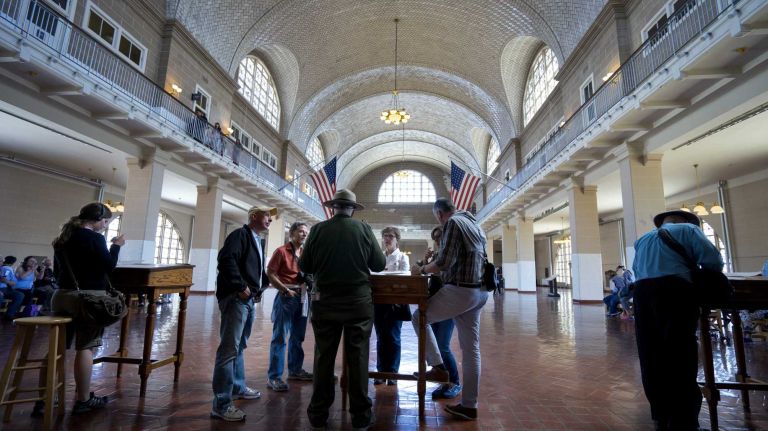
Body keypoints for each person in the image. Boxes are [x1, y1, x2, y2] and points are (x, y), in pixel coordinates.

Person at [299, 189, 385, 431]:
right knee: (357, 357)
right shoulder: (364, 229)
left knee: (323, 357)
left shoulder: (317, 229)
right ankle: (360, 416)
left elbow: (304, 265)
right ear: (353, 209)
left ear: (333, 207)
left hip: (325, 302)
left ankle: (318, 414)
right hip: (358, 303)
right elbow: (379, 264)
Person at [632, 210, 723, 431]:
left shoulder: (642, 239)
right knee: (680, 352)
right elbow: (713, 260)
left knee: (650, 353)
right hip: (674, 291)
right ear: (684, 221)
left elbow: (636, 270)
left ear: (662, 223)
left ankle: (660, 414)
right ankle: (684, 419)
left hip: (643, 294)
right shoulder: (688, 230)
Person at [410, 198, 489, 421]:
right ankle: (469, 405)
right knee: (471, 349)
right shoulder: (475, 224)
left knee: (418, 317)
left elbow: (444, 262)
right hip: (480, 291)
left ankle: (437, 366)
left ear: (439, 214)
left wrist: (422, 269)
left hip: (461, 291)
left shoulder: (453, 223)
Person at [50, 202, 125, 415]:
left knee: (57, 347)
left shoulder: (62, 239)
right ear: (98, 220)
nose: (105, 225)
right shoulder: (94, 238)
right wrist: (117, 246)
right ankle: (83, 400)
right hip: (87, 299)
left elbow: (57, 272)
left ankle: (45, 398)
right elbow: (108, 266)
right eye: (105, 221)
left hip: (62, 296)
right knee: (86, 347)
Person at [211, 206, 274, 421]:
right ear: (254, 216)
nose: (270, 220)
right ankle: (221, 403)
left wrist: (260, 287)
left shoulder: (256, 239)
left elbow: (253, 269)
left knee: (239, 346)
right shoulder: (240, 234)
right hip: (236, 299)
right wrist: (240, 286)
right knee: (229, 349)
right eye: (267, 216)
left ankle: (237, 387)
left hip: (247, 300)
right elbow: (226, 260)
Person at [266, 221, 313, 392]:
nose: (304, 234)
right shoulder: (281, 251)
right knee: (280, 337)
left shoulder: (306, 253)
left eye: (306, 232)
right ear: (292, 233)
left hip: (303, 297)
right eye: (301, 231)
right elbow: (270, 273)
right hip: (287, 296)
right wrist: (284, 289)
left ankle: (295, 370)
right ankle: (274, 377)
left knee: (297, 337)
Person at [422, 226, 461, 399]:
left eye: (440, 237)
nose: (438, 240)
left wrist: (429, 268)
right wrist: (425, 261)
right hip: (434, 304)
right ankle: (444, 383)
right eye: (435, 238)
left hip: (447, 305)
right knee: (436, 347)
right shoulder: (437, 257)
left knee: (443, 347)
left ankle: (455, 383)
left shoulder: (450, 256)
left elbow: (446, 276)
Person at [372, 226, 409, 386]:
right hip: (379, 302)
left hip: (395, 303)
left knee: (394, 338)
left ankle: (393, 372)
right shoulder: (379, 257)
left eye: (390, 236)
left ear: (397, 239)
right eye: (385, 236)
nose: (387, 238)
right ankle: (381, 372)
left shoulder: (402, 258)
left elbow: (403, 282)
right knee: (381, 338)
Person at [0, 255, 24, 321]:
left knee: (20, 295)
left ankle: (9, 315)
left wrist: (7, 281)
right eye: (0, 261)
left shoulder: (7, 269)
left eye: (2, 261)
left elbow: (14, 282)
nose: (2, 262)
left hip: (6, 289)